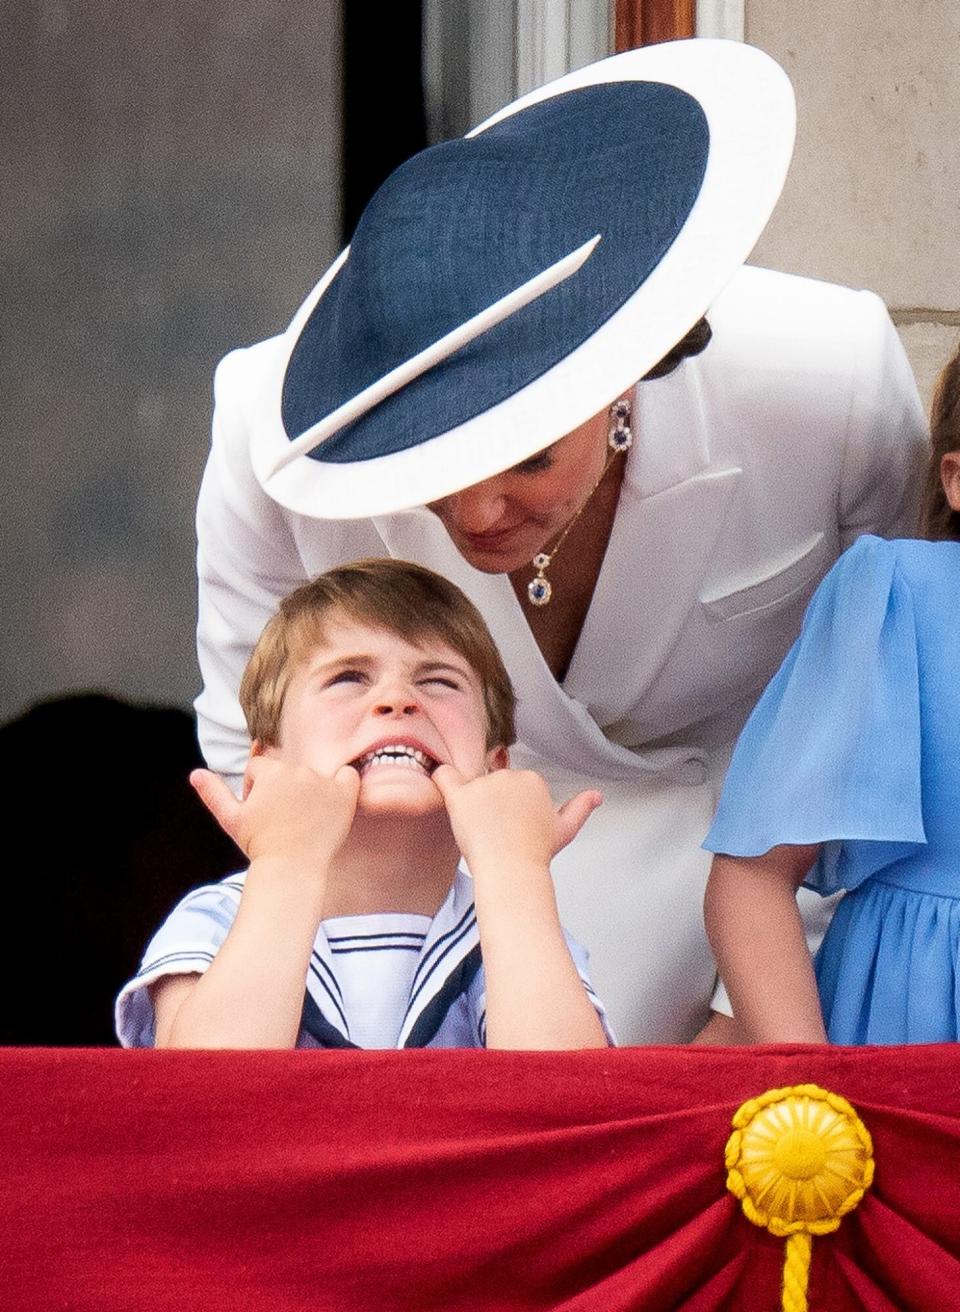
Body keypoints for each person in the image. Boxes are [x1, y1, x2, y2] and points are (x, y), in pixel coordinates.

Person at [193, 40, 928, 1043]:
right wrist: (370, 995)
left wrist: (757, 1007)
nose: (482, 514)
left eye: (528, 459)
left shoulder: (831, 383)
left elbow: (891, 730)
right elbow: (259, 745)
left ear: (626, 373)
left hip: (758, 928)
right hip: (431, 940)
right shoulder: (262, 421)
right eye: (435, 469)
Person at [117, 559, 611, 1050]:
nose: (398, 699)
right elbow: (207, 1093)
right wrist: (287, 861)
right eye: (349, 677)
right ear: (268, 764)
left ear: (493, 768)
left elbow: (568, 1097)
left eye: (438, 681)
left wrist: (513, 868)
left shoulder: (512, 922)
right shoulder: (216, 921)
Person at [703, 344, 960, 1044]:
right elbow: (753, 877)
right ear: (957, 480)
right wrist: (809, 1088)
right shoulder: (895, 595)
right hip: (905, 1030)